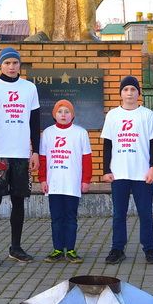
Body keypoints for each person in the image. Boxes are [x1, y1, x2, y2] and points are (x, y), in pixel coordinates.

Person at [0, 47, 40, 268]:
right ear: (0, 65)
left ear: (20, 65)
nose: (12, 67)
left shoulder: (29, 88)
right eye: (7, 63)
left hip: (21, 155)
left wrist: (35, 152)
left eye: (15, 63)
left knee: (18, 201)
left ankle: (15, 247)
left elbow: (35, 123)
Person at [101, 76, 153, 265]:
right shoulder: (112, 115)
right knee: (119, 213)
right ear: (120, 93)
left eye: (133, 90)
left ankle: (149, 248)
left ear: (138, 93)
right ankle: (117, 249)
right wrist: (105, 169)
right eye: (126, 90)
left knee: (145, 212)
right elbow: (107, 145)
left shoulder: (147, 115)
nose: (129, 93)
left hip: (142, 174)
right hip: (119, 173)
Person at [38, 99, 92, 263]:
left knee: (70, 217)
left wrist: (86, 180)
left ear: (72, 115)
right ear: (54, 114)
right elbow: (42, 158)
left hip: (72, 183)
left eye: (67, 111)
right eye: (60, 111)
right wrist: (42, 179)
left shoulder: (80, 133)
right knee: (56, 218)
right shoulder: (47, 133)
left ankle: (71, 249)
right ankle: (57, 249)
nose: (63, 115)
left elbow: (87, 159)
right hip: (54, 184)